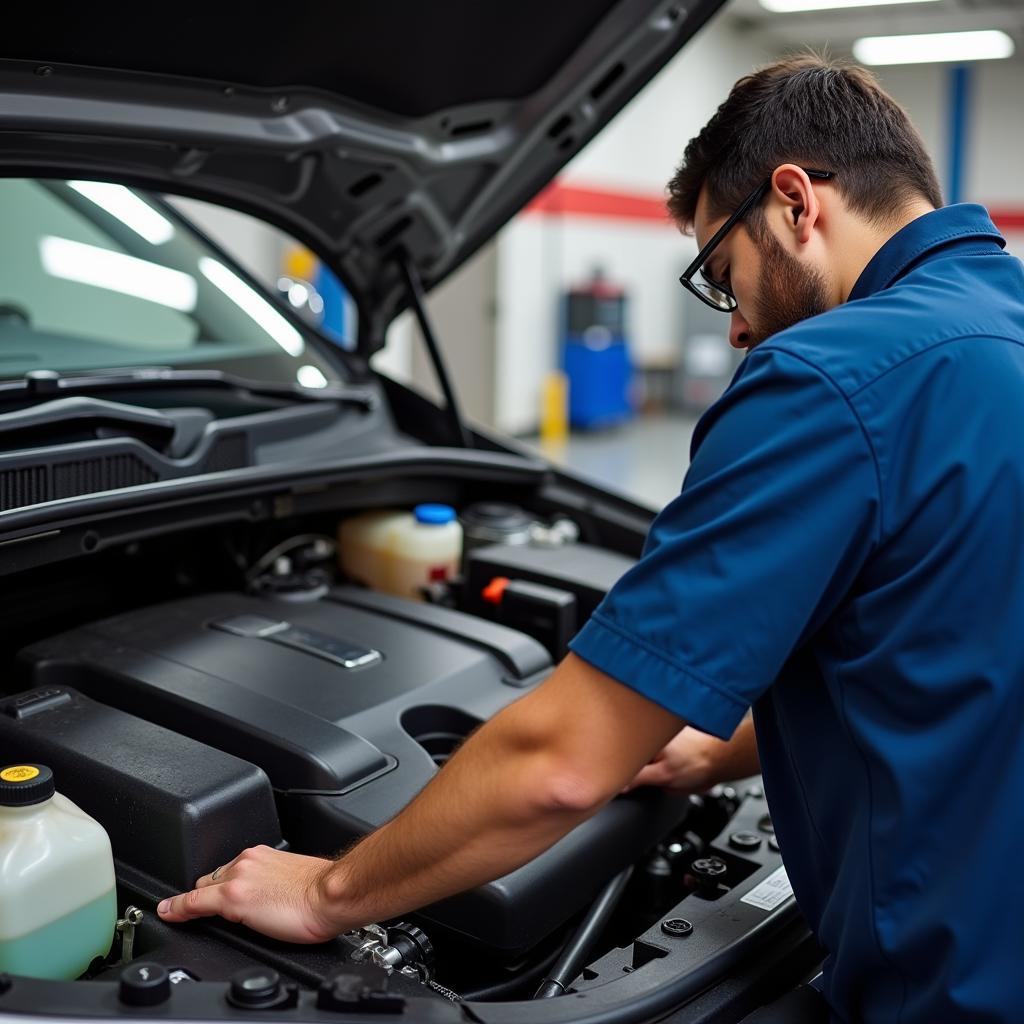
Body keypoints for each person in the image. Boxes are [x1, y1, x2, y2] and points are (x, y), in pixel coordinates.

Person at [158, 55, 1024, 1022]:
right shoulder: (1001, 329)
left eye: (721, 274)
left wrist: (325, 894)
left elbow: (562, 765)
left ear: (795, 202)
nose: (737, 326)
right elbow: (948, 635)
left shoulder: (831, 379)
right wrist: (715, 750)